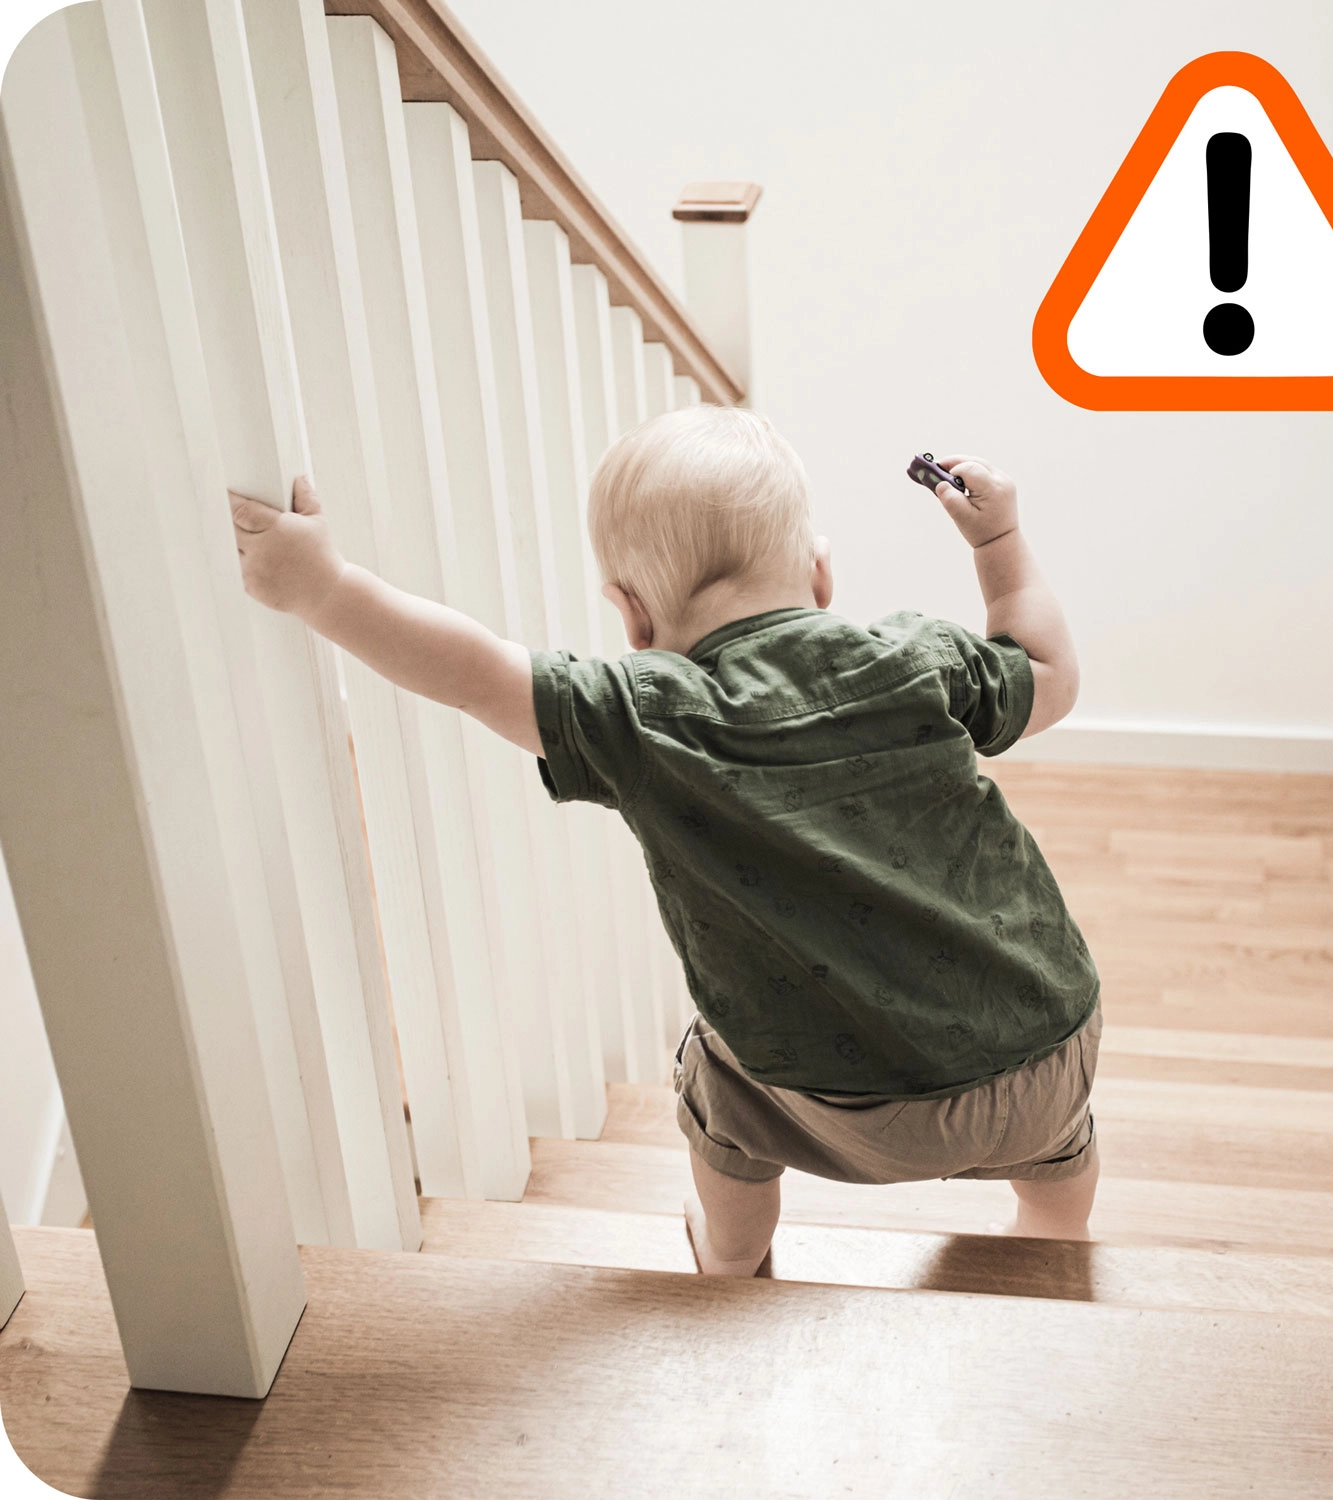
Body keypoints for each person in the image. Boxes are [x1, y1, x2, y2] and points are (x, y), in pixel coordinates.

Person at [229, 404, 1102, 1277]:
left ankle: (733, 1252)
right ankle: (1055, 1233)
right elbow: (1051, 676)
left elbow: (474, 673)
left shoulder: (642, 716)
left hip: (831, 1108)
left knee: (714, 1075)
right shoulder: (917, 660)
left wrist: (323, 589)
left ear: (632, 616)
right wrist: (998, 543)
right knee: (1057, 1145)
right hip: (1045, 1058)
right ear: (820, 572)